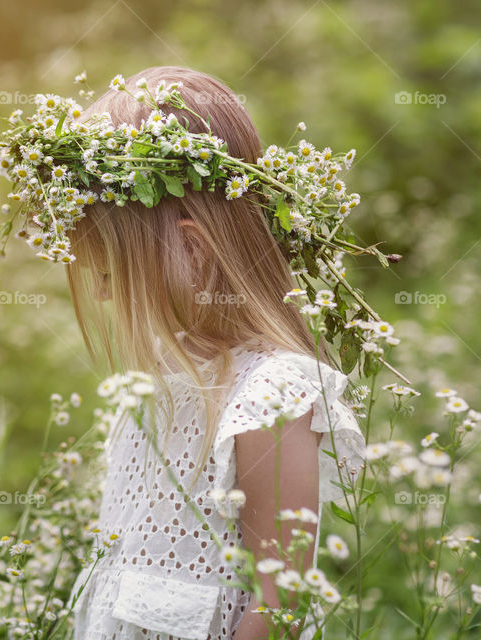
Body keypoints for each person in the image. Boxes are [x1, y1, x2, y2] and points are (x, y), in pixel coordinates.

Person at [63, 66, 366, 640]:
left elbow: (278, 606)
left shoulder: (270, 394)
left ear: (190, 247)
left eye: (110, 269)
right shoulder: (164, 379)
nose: (102, 291)